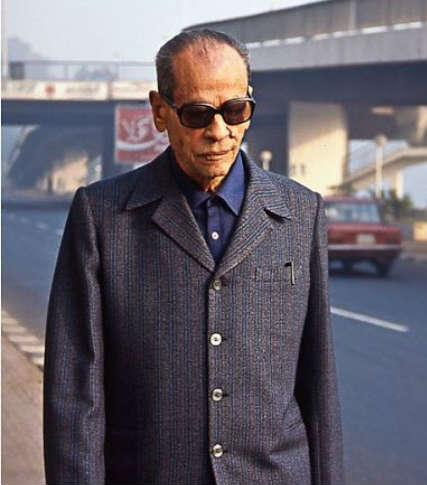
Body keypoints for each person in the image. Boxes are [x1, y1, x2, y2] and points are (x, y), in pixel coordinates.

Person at [43, 29, 344, 485]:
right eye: (198, 114)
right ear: (160, 112)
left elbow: (318, 384)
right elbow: (74, 392)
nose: (219, 132)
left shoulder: (301, 213)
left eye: (235, 110)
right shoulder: (102, 215)